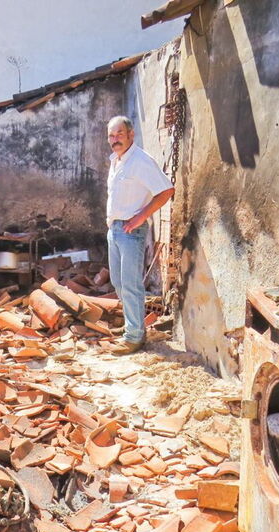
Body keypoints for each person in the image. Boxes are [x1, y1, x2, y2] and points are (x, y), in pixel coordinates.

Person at [105, 116, 175, 354]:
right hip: (114, 229)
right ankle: (131, 326)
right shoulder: (116, 160)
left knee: (131, 284)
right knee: (118, 282)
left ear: (131, 134)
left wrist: (141, 217)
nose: (115, 140)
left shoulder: (140, 161)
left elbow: (166, 190)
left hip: (131, 230)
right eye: (111, 136)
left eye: (120, 134)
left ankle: (134, 337)